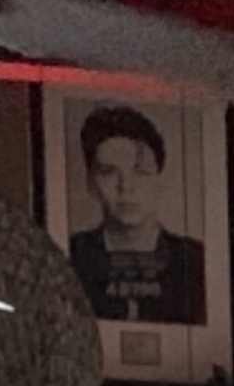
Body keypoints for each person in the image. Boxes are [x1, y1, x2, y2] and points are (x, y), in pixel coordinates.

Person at [66, 104, 207, 329]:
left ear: (160, 179)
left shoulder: (196, 261)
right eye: (109, 172)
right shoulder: (69, 257)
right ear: (90, 182)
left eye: (140, 172)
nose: (126, 187)